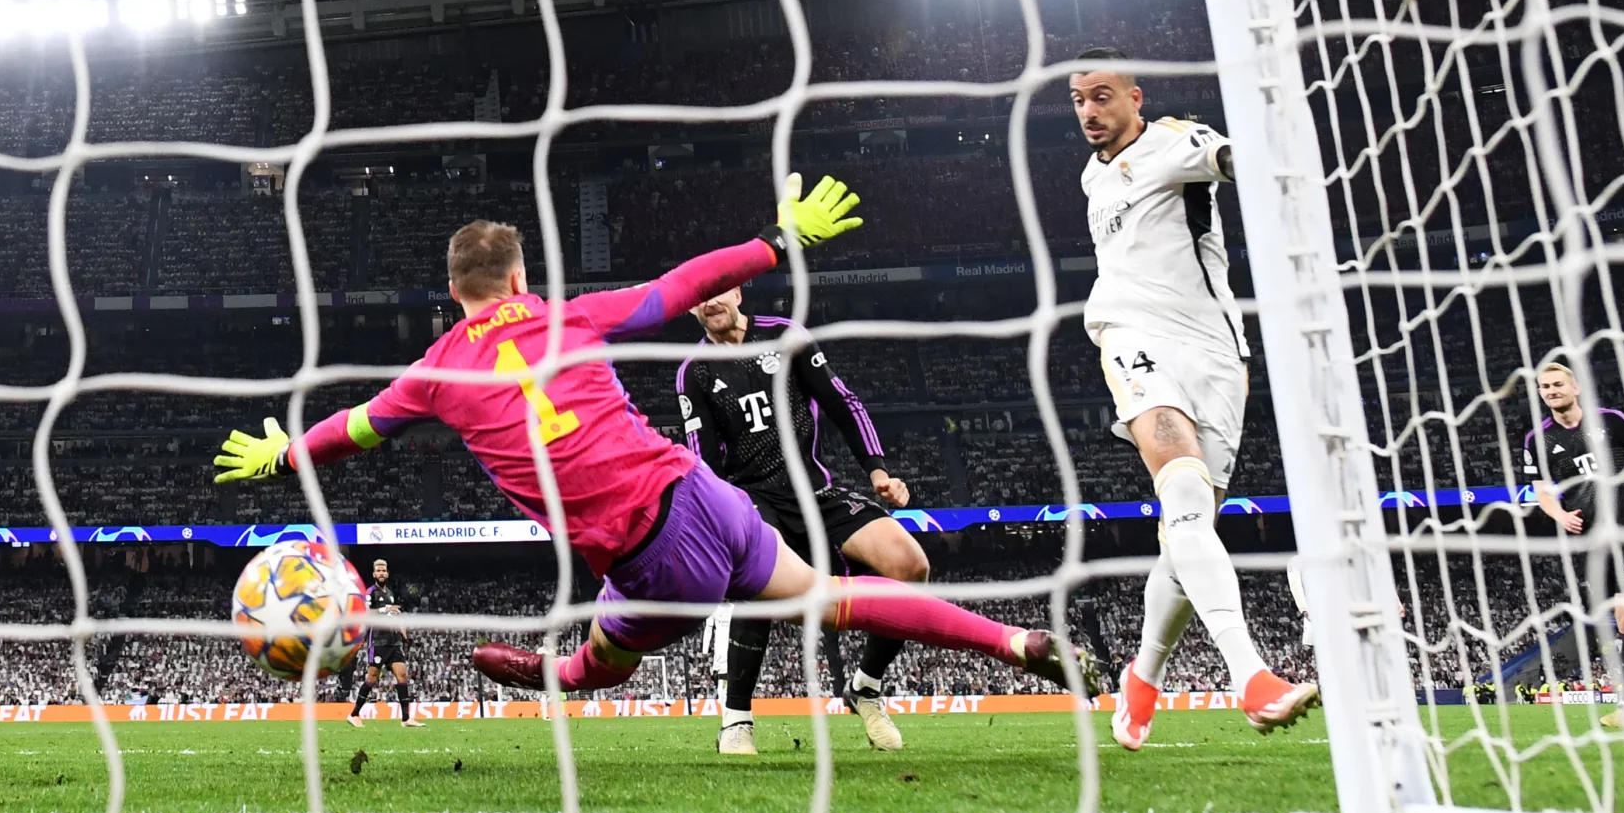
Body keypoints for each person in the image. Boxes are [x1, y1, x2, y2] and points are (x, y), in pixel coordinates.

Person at [214, 176, 1096, 707]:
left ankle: (552, 675)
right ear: (519, 277)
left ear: (455, 293)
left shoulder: (435, 373)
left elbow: (350, 432)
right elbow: (679, 287)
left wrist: (283, 455)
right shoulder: (570, 316)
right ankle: (1017, 643)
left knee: (603, 662)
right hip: (706, 494)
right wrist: (775, 240)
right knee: (835, 596)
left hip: (652, 557)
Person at [1069, 48, 1317, 750]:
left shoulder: (1176, 141)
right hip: (1131, 338)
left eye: (1102, 96)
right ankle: (1251, 676)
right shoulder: (1091, 175)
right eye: (1078, 100)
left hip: (1216, 354)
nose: (1088, 111)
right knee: (1181, 491)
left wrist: (1270, 152)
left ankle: (1142, 675)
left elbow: (1234, 161)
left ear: (1135, 97)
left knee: (1187, 529)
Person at [677, 289, 925, 754]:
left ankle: (866, 687)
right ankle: (736, 719)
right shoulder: (696, 371)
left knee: (910, 565)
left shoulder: (785, 336)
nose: (710, 302)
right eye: (699, 297)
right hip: (751, 498)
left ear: (737, 291)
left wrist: (878, 471)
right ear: (690, 307)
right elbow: (702, 462)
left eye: (719, 292)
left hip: (815, 492)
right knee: (757, 576)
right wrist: (718, 522)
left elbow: (842, 403)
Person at [1525, 360, 1624, 726]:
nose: (1551, 391)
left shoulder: (1612, 421)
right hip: (1595, 541)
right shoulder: (1538, 440)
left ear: (1576, 387)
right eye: (1545, 387)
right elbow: (1542, 491)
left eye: (1558, 384)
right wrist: (1559, 514)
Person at [344, 559, 425, 728]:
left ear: (387, 573)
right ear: (374, 574)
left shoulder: (390, 594)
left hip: (393, 641)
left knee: (402, 675)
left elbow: (393, 614)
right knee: (372, 678)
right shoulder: (371, 592)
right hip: (378, 640)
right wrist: (385, 609)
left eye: (383, 570)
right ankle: (354, 714)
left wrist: (401, 627)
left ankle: (406, 718)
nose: (381, 573)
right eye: (378, 571)